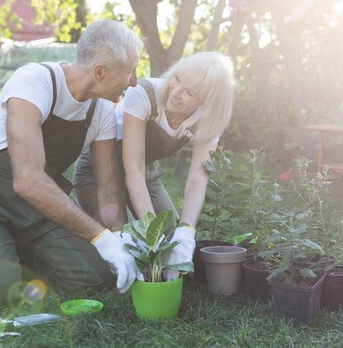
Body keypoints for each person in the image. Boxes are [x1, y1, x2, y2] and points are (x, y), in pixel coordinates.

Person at [0, 19, 144, 306]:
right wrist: (99, 237)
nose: (135, 81)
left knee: (97, 273)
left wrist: (118, 235)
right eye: (130, 72)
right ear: (99, 72)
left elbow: (107, 187)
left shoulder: (102, 110)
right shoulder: (34, 81)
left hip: (39, 208)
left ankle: (12, 248)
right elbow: (28, 179)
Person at [74, 51, 234, 280]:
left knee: (170, 241)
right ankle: (84, 219)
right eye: (178, 79)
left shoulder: (208, 119)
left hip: (145, 174)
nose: (175, 92)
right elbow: (133, 168)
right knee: (129, 246)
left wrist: (186, 231)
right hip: (100, 174)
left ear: (208, 101)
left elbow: (198, 178)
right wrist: (151, 230)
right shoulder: (145, 93)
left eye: (189, 92)